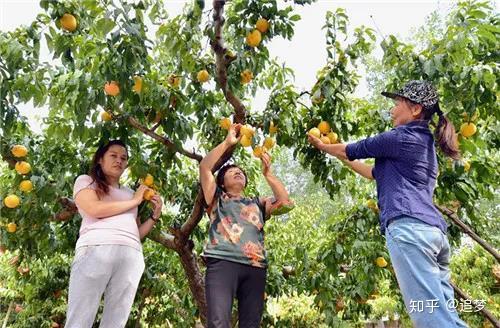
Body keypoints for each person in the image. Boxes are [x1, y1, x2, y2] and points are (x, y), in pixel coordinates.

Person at [308, 80, 467, 328]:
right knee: (443, 315)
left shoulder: (400, 138)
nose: (392, 110)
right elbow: (372, 172)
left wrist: (323, 146)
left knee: (431, 320)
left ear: (415, 109)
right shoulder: (424, 146)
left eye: (396, 104)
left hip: (410, 230)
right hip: (434, 234)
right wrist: (340, 156)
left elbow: (354, 148)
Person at [199, 124, 290, 328]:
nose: (237, 172)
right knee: (218, 322)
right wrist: (228, 142)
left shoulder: (257, 203)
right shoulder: (217, 198)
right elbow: (205, 167)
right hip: (222, 261)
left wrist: (269, 175)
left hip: (255, 266)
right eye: (232, 171)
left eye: (240, 171)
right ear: (222, 182)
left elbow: (285, 203)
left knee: (251, 324)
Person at [65, 140, 162, 328]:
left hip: (131, 254)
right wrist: (135, 201)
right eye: (113, 155)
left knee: (116, 321)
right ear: (100, 159)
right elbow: (94, 208)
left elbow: (136, 232)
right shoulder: (86, 181)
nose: (119, 160)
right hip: (96, 247)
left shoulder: (129, 193)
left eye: (124, 158)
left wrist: (154, 216)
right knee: (80, 317)